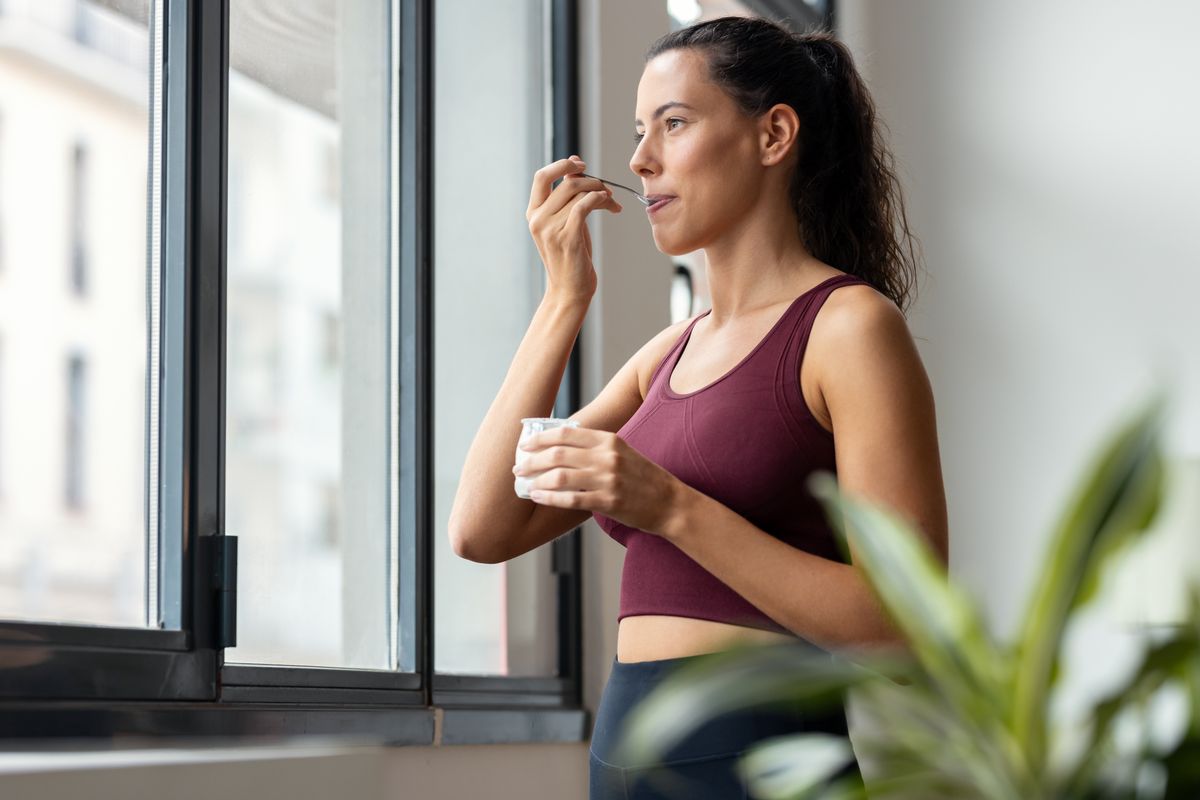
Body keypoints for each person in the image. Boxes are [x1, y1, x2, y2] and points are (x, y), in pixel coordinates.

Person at [448, 15, 949, 799]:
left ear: (774, 134)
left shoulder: (848, 328)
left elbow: (902, 620)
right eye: (639, 132)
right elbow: (481, 529)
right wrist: (562, 301)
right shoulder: (666, 355)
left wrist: (669, 506)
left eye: (674, 124)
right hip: (623, 761)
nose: (641, 160)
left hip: (760, 764)